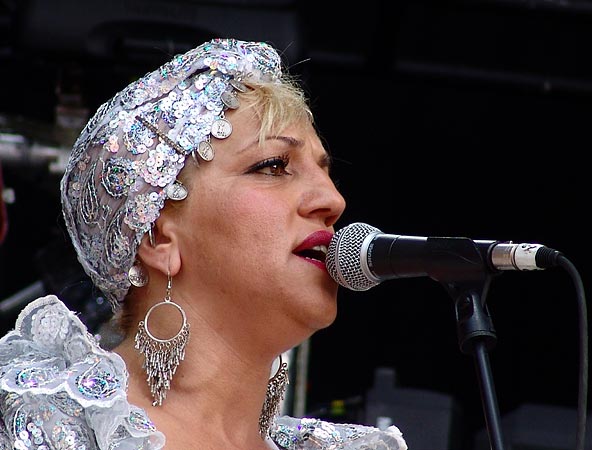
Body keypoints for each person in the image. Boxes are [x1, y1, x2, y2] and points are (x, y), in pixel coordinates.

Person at [0, 38, 408, 449]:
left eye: (325, 171)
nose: (332, 200)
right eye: (273, 166)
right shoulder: (42, 428)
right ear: (158, 236)